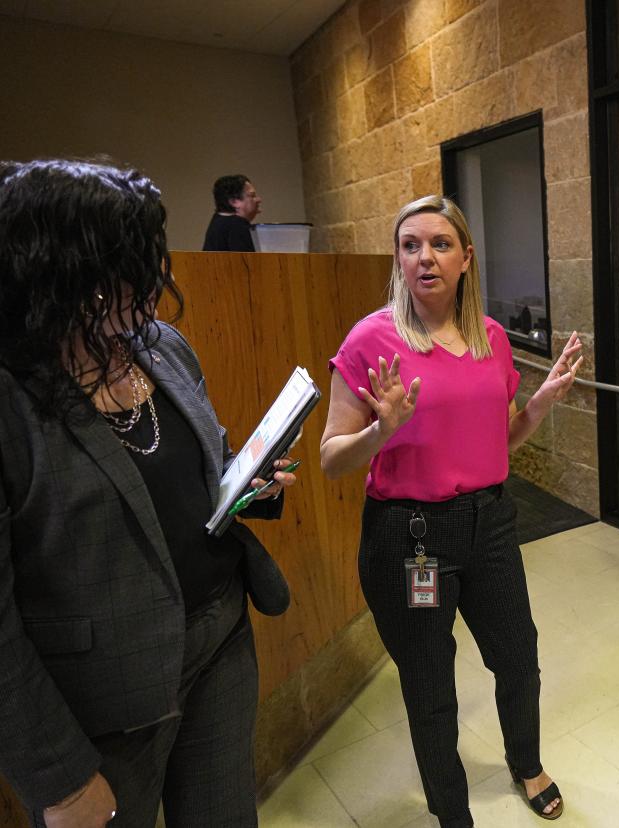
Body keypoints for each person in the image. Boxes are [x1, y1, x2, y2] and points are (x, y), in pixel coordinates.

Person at [0, 159, 299, 827]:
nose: (154, 283)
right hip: (105, 701)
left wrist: (250, 486)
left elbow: (207, 465)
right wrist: (60, 779)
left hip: (221, 643)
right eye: (128, 264)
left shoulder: (162, 347)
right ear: (56, 270)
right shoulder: (12, 398)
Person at [320, 194, 582, 827]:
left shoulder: (491, 338)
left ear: (466, 257)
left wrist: (539, 406)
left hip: (489, 524)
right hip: (412, 537)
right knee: (430, 680)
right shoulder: (371, 339)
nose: (424, 257)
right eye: (410, 245)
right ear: (398, 259)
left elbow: (499, 441)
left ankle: (526, 760)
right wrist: (382, 430)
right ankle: (450, 810)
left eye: (439, 244)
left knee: (517, 655)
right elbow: (332, 458)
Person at [202, 174, 261, 252]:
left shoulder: (218, 220)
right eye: (252, 195)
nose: (258, 199)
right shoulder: (238, 225)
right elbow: (248, 262)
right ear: (234, 202)